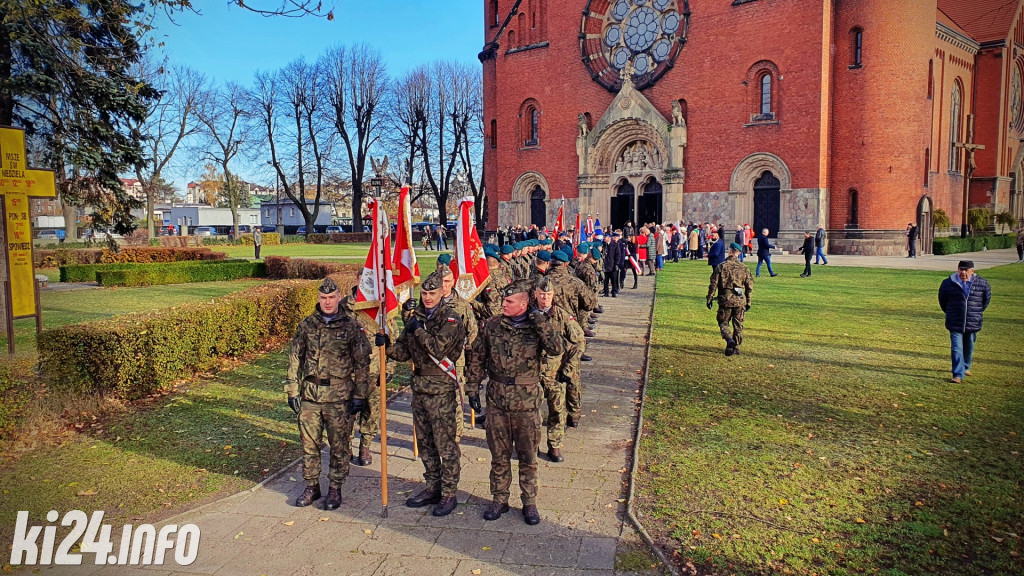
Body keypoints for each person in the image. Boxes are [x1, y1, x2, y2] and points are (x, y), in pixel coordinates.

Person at [466, 278, 565, 525]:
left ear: (524, 303)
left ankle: (529, 503)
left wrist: (539, 321)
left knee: (528, 456)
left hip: (527, 403)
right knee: (498, 455)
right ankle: (499, 499)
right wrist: (472, 388)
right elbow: (478, 356)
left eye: (509, 301)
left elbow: (556, 348)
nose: (504, 305)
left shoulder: (538, 325)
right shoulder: (492, 325)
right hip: (497, 401)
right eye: (503, 300)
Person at [286, 277, 372, 509]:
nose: (327, 302)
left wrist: (359, 396)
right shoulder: (306, 325)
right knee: (309, 445)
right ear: (318, 298)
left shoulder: (351, 326)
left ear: (338, 297)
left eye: (331, 297)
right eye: (323, 298)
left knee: (339, 446)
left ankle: (335, 488)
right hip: (311, 396)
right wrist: (292, 389)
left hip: (339, 397)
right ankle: (312, 486)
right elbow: (295, 358)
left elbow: (362, 364)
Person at [387, 270, 467, 516]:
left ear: (443, 292)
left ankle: (450, 493)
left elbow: (438, 348)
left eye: (432, 293)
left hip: (441, 388)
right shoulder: (416, 316)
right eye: (424, 293)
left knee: (445, 444)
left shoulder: (451, 319)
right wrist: (387, 346)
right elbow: (404, 351)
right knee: (425, 442)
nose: (427, 297)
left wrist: (416, 328)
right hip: (420, 387)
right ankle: (432, 486)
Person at [341, 271, 397, 467]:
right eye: (364, 281)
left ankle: (365, 445)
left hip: (374, 373)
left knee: (372, 412)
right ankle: (345, 446)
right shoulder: (343, 308)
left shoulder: (380, 309)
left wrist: (389, 368)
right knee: (346, 413)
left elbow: (393, 344)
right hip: (348, 375)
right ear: (357, 281)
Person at [532, 277, 584, 462]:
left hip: (556, 373)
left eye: (548, 294)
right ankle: (532, 445)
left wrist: (568, 370)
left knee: (557, 411)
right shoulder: (528, 316)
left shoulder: (562, 316)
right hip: (533, 373)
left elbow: (578, 342)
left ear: (553, 295)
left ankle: (555, 446)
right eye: (542, 294)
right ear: (535, 293)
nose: (544, 298)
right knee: (532, 412)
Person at [938, 260, 991, 383]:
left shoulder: (983, 284)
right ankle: (957, 374)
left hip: (972, 320)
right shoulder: (948, 283)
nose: (963, 272)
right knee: (956, 348)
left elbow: (985, 301)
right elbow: (943, 300)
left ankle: (966, 366)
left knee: (969, 346)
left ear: (972, 271)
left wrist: (975, 313)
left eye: (966, 270)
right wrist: (950, 312)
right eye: (961, 269)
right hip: (955, 321)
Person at [706, 243, 754, 356]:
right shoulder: (744, 268)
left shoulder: (721, 266)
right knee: (738, 324)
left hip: (725, 299)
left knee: (723, 322)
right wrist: (748, 301)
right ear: (739, 253)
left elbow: (713, 284)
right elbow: (749, 286)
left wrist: (710, 298)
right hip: (740, 299)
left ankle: (729, 340)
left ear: (730, 251)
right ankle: (736, 347)